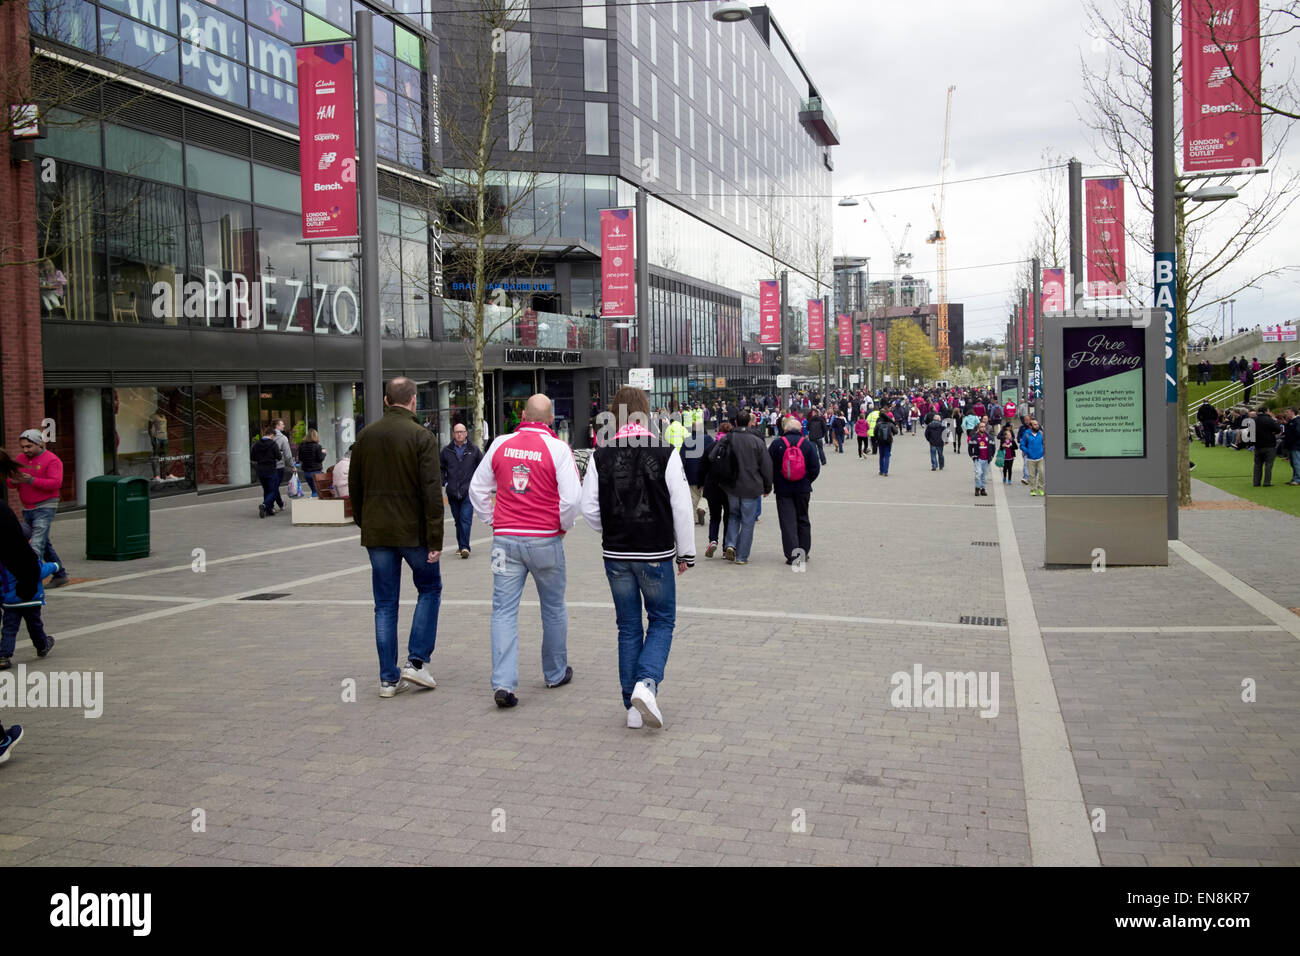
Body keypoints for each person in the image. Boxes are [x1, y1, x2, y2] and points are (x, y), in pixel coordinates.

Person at [580, 387, 694, 730]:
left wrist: (611, 526)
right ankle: (646, 684)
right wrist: (685, 552)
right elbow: (681, 507)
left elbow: (588, 509)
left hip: (616, 553)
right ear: (646, 412)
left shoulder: (601, 455)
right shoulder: (665, 453)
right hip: (656, 552)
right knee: (661, 620)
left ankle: (632, 706)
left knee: (628, 627)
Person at [469, 394, 581, 708]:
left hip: (505, 541)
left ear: (523, 415)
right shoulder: (558, 449)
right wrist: (561, 526)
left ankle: (503, 683)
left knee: (503, 611)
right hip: (545, 540)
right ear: (550, 419)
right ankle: (555, 672)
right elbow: (573, 499)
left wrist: (492, 520)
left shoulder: (500, 444)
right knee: (554, 608)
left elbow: (476, 488)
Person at [349, 377, 444, 699]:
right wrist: (436, 539)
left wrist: (366, 523)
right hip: (414, 533)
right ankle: (416, 662)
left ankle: (388, 679)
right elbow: (432, 491)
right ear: (413, 401)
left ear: (387, 401)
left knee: (385, 605)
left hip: (378, 532)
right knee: (430, 589)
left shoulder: (365, 437)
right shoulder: (422, 436)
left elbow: (355, 487)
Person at [7, 430, 69, 588]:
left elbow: (55, 483)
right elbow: (10, 482)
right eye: (23, 447)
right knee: (43, 543)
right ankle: (60, 574)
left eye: (29, 446)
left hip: (45, 506)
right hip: (27, 507)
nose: (25, 450)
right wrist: (14, 481)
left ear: (39, 443)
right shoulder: (20, 459)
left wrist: (32, 480)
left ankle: (33, 580)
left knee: (36, 543)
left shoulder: (52, 460)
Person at [720, 410, 772, 566]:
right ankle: (741, 556)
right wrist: (767, 486)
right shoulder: (756, 441)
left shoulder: (728, 438)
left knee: (733, 516)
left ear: (736, 422)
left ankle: (730, 544)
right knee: (748, 521)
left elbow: (715, 456)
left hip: (732, 485)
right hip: (751, 486)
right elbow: (766, 465)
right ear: (750, 423)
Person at [768, 413, 821, 565]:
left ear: (785, 429)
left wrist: (773, 482)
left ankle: (793, 555)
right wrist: (807, 480)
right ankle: (804, 551)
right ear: (800, 430)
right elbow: (815, 468)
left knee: (787, 521)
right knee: (803, 519)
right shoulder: (807, 444)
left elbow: (768, 466)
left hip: (783, 489)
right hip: (803, 488)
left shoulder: (777, 444)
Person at [440, 423, 484, 559]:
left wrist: (477, 484)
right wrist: (444, 481)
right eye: (457, 432)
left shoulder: (474, 450)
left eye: (462, 432)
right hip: (452, 491)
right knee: (458, 520)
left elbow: (481, 467)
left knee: (466, 519)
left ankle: (465, 547)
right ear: (453, 434)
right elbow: (441, 468)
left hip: (468, 491)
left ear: (466, 433)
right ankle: (461, 546)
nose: (459, 434)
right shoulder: (446, 451)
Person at [702, 422, 731, 558]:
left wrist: (701, 483)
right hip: (728, 488)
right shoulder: (733, 447)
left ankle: (713, 540)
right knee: (728, 517)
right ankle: (727, 547)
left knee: (714, 517)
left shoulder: (711, 447)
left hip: (712, 486)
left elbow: (703, 467)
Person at [251, 423, 282, 518]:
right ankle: (264, 505)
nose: (273, 438)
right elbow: (279, 457)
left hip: (261, 470)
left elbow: (253, 457)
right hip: (271, 469)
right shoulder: (273, 444)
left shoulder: (256, 444)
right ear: (271, 435)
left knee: (266, 490)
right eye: (273, 436)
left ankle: (268, 510)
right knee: (273, 490)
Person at [1252, 408, 1282, 487]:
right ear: (1266, 411)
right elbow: (1278, 429)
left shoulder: (1254, 420)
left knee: (1257, 465)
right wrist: (1273, 433)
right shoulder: (1269, 420)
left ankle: (1256, 482)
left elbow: (1250, 434)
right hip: (1269, 445)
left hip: (1258, 445)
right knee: (1268, 465)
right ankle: (1267, 482)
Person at [271, 419, 294, 510]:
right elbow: (288, 455)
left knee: (273, 486)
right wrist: (292, 466)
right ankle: (268, 505)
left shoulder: (267, 436)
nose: (284, 426)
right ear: (277, 426)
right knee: (275, 487)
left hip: (267, 466)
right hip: (278, 466)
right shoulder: (283, 438)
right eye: (282, 424)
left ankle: (278, 504)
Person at [298, 428, 326, 498]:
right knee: (316, 491)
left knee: (314, 490)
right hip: (316, 472)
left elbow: (300, 458)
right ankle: (314, 505)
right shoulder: (318, 446)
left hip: (306, 472)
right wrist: (324, 453)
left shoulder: (302, 446)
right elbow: (320, 459)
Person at [1020, 418, 1046, 496]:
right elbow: (1022, 445)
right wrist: (1028, 451)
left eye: (1037, 424)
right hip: (1030, 458)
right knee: (1032, 475)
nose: (1037, 426)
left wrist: (1043, 451)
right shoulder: (1027, 434)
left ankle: (1040, 488)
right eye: (1035, 424)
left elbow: (1044, 443)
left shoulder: (1040, 433)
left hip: (1040, 457)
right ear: (1030, 426)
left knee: (1041, 473)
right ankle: (1033, 490)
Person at [969, 422, 993, 496]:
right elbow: (970, 448)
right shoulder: (974, 437)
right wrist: (973, 456)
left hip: (986, 459)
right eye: (981, 427)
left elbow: (993, 447)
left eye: (984, 426)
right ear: (978, 428)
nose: (982, 428)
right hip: (978, 459)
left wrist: (991, 456)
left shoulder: (989, 437)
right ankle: (977, 488)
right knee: (978, 474)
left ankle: (983, 489)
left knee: (984, 476)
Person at [1279, 408, 1300, 485]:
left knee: (1296, 462)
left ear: (1292, 412)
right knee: (1293, 463)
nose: (1286, 414)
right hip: (1291, 445)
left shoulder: (1297, 421)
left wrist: (1291, 440)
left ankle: (1298, 479)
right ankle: (1295, 478)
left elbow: (1297, 434)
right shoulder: (1291, 422)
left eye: (1287, 412)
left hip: (1295, 445)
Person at [875, 411, 897, 476]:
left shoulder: (878, 424)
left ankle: (881, 471)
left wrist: (877, 439)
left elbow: (874, 433)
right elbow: (896, 432)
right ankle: (885, 471)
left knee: (881, 456)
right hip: (888, 441)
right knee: (887, 456)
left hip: (880, 441)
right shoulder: (890, 424)